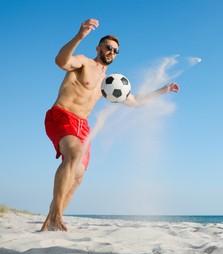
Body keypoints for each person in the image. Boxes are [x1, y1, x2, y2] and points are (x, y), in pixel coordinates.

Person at [41, 18, 179, 231]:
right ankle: (57, 216)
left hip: (82, 126)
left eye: (115, 51)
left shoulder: (110, 84)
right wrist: (80, 35)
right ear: (99, 48)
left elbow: (134, 102)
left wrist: (162, 90)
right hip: (62, 115)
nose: (112, 53)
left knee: (77, 176)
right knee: (74, 155)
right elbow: (60, 61)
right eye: (108, 48)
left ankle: (50, 223)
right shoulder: (83, 62)